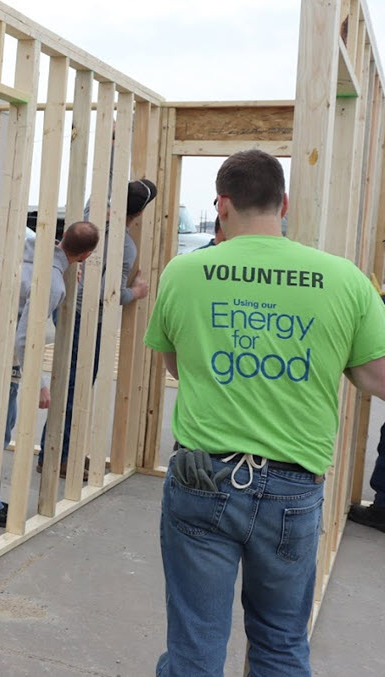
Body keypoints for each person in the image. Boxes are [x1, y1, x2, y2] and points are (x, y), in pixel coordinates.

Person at [144, 149, 385, 676]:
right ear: (285, 204)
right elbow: (378, 377)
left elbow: (177, 367)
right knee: (279, 643)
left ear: (223, 205)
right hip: (293, 491)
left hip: (202, 478)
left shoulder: (185, 272)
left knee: (195, 646)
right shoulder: (343, 279)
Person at [0, 221, 100, 526]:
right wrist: (40, 384)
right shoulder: (52, 283)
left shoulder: (34, 255)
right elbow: (24, 338)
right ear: (86, 255)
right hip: (0, 354)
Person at [53, 179, 155, 475]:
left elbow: (95, 192)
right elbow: (106, 294)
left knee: (67, 384)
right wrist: (136, 292)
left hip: (66, 312)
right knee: (75, 387)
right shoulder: (124, 247)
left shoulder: (91, 217)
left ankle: (56, 453)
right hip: (87, 321)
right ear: (139, 214)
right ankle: (62, 458)